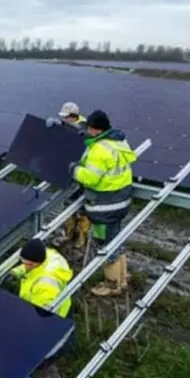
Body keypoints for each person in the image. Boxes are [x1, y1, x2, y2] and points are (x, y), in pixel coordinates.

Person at [68, 110, 137, 297]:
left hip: (104, 206)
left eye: (90, 129)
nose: (88, 132)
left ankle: (112, 284)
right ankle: (122, 278)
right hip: (120, 201)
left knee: (105, 244)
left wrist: (74, 170)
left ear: (96, 130)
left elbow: (91, 179)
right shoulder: (118, 141)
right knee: (115, 239)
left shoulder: (99, 150)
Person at [10, 238, 75, 378]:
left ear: (34, 264)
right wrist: (18, 271)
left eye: (25, 263)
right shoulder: (50, 256)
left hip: (51, 330)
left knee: (42, 363)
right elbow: (32, 265)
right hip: (65, 311)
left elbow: (37, 323)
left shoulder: (44, 289)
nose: (23, 265)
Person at [45, 102, 90, 247]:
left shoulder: (84, 126)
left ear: (73, 116)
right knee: (68, 205)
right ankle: (69, 234)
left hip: (83, 174)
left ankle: (81, 237)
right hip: (71, 171)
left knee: (83, 209)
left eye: (66, 118)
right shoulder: (68, 124)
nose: (64, 120)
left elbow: (80, 131)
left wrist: (62, 125)